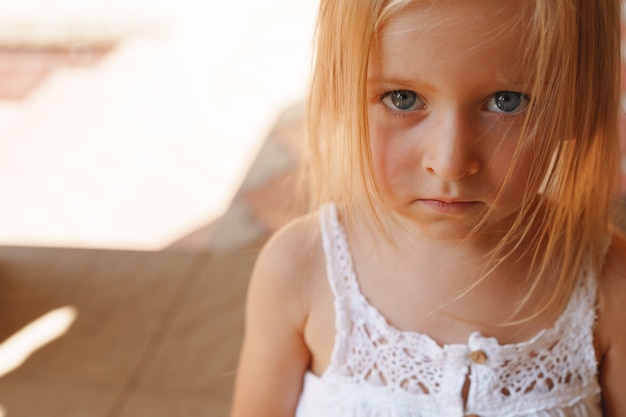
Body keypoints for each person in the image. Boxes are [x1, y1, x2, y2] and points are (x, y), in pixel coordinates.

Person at [231, 0, 626, 415]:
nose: (451, 161)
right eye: (402, 99)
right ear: (339, 92)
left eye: (508, 101)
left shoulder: (609, 285)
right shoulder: (301, 267)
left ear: (576, 110)